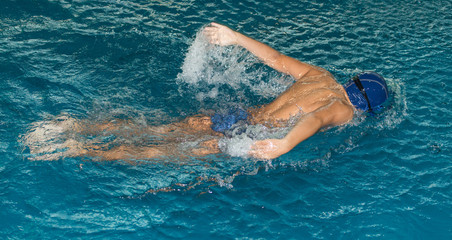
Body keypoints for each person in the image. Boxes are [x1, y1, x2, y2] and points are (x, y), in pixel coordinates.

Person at [24, 22, 389, 161]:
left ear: (351, 81)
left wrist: (233, 37)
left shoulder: (322, 76)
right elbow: (317, 117)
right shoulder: (344, 109)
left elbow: (275, 58)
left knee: (160, 130)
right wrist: (284, 145)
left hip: (238, 117)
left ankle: (69, 126)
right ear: (364, 108)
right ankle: (76, 149)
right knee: (156, 153)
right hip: (249, 134)